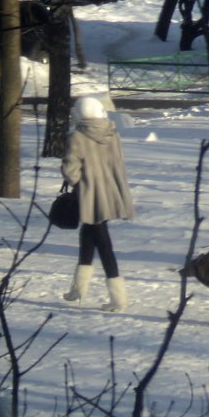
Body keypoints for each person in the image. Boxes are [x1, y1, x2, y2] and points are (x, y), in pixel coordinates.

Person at [61, 96, 135, 311]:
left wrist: (78, 183)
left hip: (90, 195)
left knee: (103, 244)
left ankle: (118, 299)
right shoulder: (112, 133)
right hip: (111, 191)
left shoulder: (77, 136)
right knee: (87, 236)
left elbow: (70, 170)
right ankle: (78, 289)